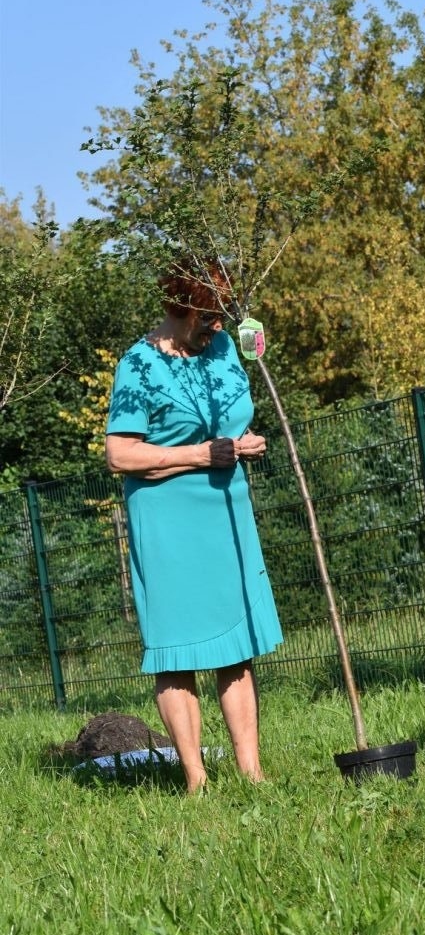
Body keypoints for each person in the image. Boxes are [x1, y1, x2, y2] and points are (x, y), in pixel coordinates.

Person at [105, 262, 283, 791]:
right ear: (180, 309)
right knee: (177, 649)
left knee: (237, 646)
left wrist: (242, 442)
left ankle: (252, 775)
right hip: (166, 515)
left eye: (224, 316)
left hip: (225, 507)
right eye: (209, 315)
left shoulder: (224, 347)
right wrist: (201, 454)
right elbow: (120, 454)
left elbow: (229, 417)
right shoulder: (138, 366)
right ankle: (196, 779)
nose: (218, 326)